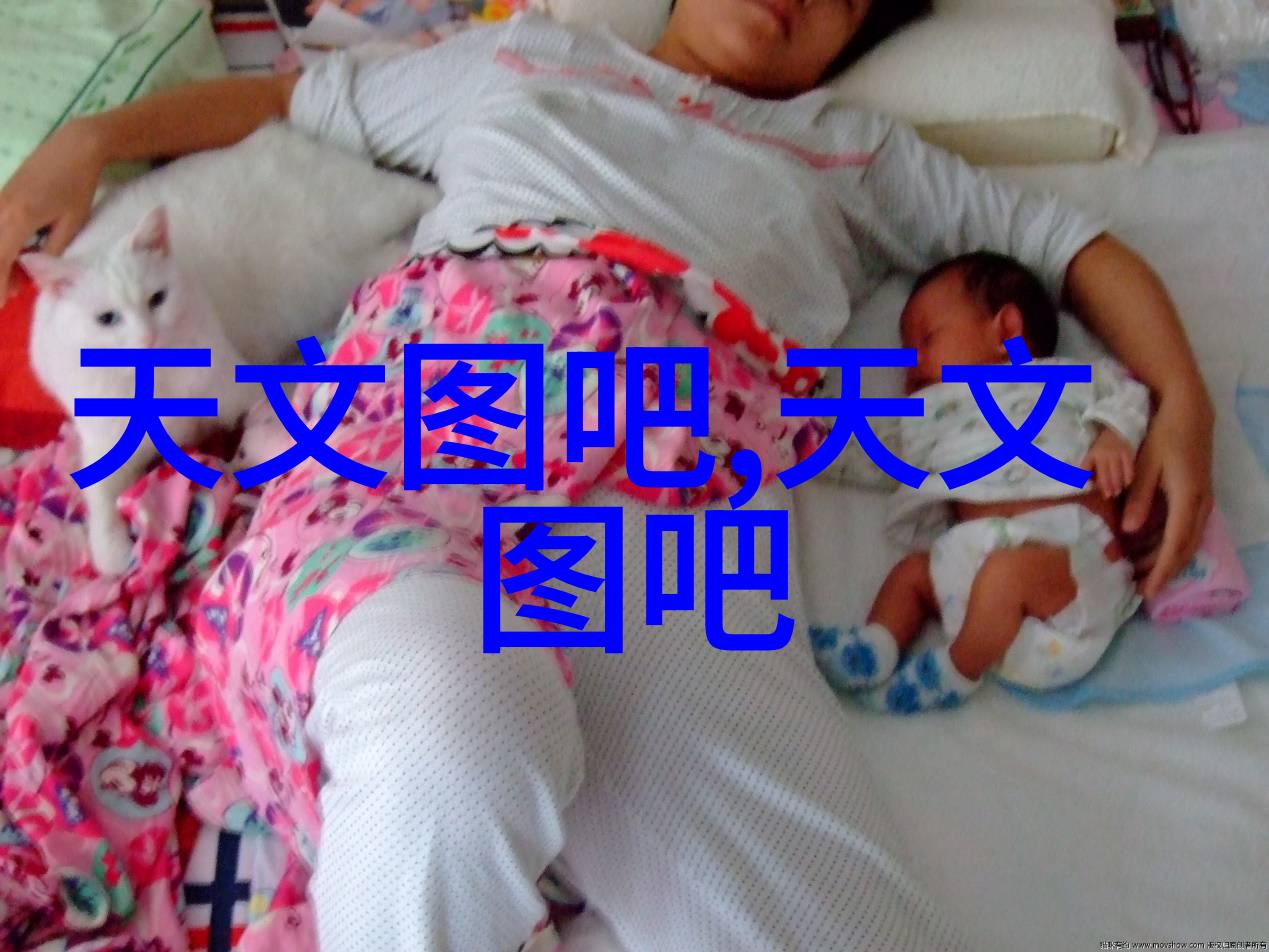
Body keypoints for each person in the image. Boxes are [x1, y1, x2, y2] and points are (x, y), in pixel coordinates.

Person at [0, 0, 1214, 949]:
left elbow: (1073, 243)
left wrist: (1182, 402)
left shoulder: (854, 152)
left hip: (673, 507)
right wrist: (89, 142)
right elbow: (290, 98)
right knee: (453, 717)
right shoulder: (522, 57)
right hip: (427, 430)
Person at [815, 252, 1149, 713]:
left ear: (1006, 330)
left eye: (926, 339)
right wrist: (804, 439)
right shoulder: (929, 416)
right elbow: (872, 450)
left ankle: (956, 672)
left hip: (1072, 575)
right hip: (972, 578)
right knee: (912, 574)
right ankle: (876, 645)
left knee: (1006, 575)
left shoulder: (1067, 381)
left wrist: (1114, 435)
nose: (911, 366)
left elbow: (1131, 394)